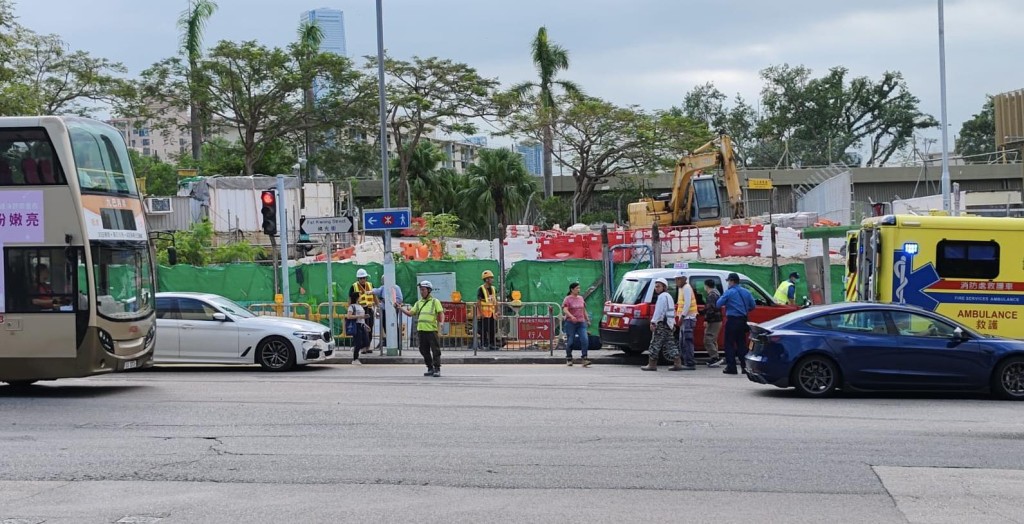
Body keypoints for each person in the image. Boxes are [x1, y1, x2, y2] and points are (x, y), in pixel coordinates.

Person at [396, 280, 445, 377]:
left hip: (431, 330)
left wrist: (442, 323)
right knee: (423, 350)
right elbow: (410, 313)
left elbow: (441, 313)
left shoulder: (435, 302)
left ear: (429, 290)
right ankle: (430, 367)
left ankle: (437, 368)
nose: (421, 292)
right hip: (421, 331)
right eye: (421, 290)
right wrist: (400, 308)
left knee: (435, 350)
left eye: (423, 290)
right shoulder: (418, 303)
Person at [716, 273, 756, 375]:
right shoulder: (746, 292)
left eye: (729, 281)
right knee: (741, 344)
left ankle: (731, 367)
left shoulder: (729, 293)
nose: (728, 283)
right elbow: (753, 306)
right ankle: (744, 367)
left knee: (729, 344)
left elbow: (718, 304)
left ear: (732, 281)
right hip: (743, 321)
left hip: (732, 320)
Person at [641, 278, 684, 372]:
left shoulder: (661, 297)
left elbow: (659, 311)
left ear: (664, 287)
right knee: (670, 344)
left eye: (658, 286)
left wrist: (653, 322)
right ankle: (678, 363)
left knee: (655, 344)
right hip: (669, 324)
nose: (656, 288)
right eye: (655, 287)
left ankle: (652, 364)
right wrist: (672, 324)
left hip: (661, 324)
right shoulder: (669, 296)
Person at [561, 282, 591, 367]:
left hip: (581, 322)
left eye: (579, 288)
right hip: (571, 323)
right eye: (577, 288)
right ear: (572, 289)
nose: (579, 290)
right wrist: (571, 316)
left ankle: (584, 358)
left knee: (585, 339)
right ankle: (569, 358)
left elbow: (583, 309)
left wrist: (587, 319)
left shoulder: (581, 298)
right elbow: (565, 310)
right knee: (571, 341)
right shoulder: (567, 299)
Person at [674, 274, 698, 370]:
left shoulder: (686, 288)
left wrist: (682, 317)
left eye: (678, 279)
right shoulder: (682, 288)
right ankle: (686, 361)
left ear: (684, 279)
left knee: (687, 342)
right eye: (676, 279)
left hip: (688, 319)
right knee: (682, 342)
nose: (676, 281)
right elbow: (681, 304)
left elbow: (687, 304)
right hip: (685, 318)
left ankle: (689, 363)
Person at [351, 269, 377, 353]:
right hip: (359, 311)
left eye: (364, 278)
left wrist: (378, 306)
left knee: (369, 327)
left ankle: (367, 346)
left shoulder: (370, 285)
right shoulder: (354, 286)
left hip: (369, 310)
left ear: (366, 278)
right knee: (360, 329)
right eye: (360, 278)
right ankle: (359, 346)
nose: (362, 279)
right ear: (358, 279)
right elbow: (350, 300)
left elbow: (374, 296)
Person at [372, 283, 404, 348]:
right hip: (384, 310)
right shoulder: (383, 287)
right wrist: (370, 291)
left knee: (393, 326)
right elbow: (377, 290)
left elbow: (400, 299)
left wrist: (386, 300)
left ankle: (397, 343)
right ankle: (390, 342)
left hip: (392, 310)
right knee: (385, 325)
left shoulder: (396, 287)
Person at [702, 279, 724, 368]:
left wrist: (706, 319)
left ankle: (715, 358)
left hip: (713, 320)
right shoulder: (717, 293)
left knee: (708, 339)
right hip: (717, 319)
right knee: (713, 339)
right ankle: (715, 357)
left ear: (706, 286)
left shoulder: (711, 295)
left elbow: (710, 309)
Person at [345, 291, 370, 365]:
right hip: (356, 325)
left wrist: (365, 324)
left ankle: (355, 348)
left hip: (362, 325)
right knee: (358, 343)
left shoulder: (360, 306)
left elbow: (362, 318)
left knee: (366, 342)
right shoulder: (352, 306)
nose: (361, 297)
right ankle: (355, 359)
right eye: (359, 296)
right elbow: (349, 316)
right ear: (356, 298)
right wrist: (360, 316)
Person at [477, 270, 499, 351]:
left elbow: (495, 301)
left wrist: (497, 311)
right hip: (484, 314)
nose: (492, 280)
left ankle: (492, 344)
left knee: (492, 329)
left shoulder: (493, 289)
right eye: (491, 278)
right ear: (486, 279)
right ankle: (483, 344)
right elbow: (478, 302)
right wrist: (481, 313)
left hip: (492, 314)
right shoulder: (481, 289)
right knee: (483, 330)